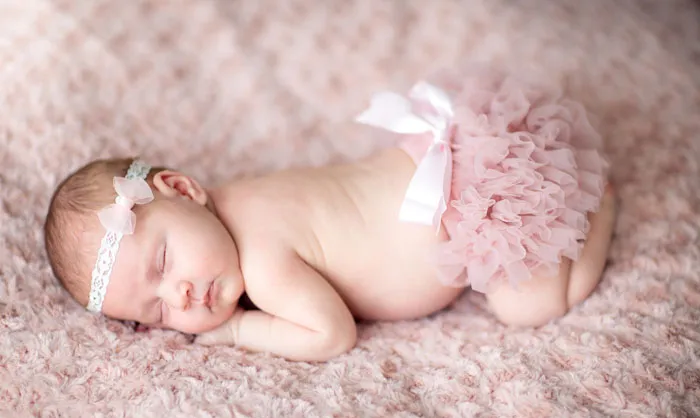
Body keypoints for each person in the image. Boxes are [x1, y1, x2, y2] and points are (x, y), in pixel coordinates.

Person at [44, 65, 615, 362]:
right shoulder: (239, 197)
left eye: (164, 262)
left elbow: (331, 335)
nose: (182, 295)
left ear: (182, 188)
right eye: (159, 310)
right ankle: (568, 178)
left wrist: (240, 329)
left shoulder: (263, 262)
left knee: (529, 305)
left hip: (476, 206)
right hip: (451, 152)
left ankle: (601, 201)